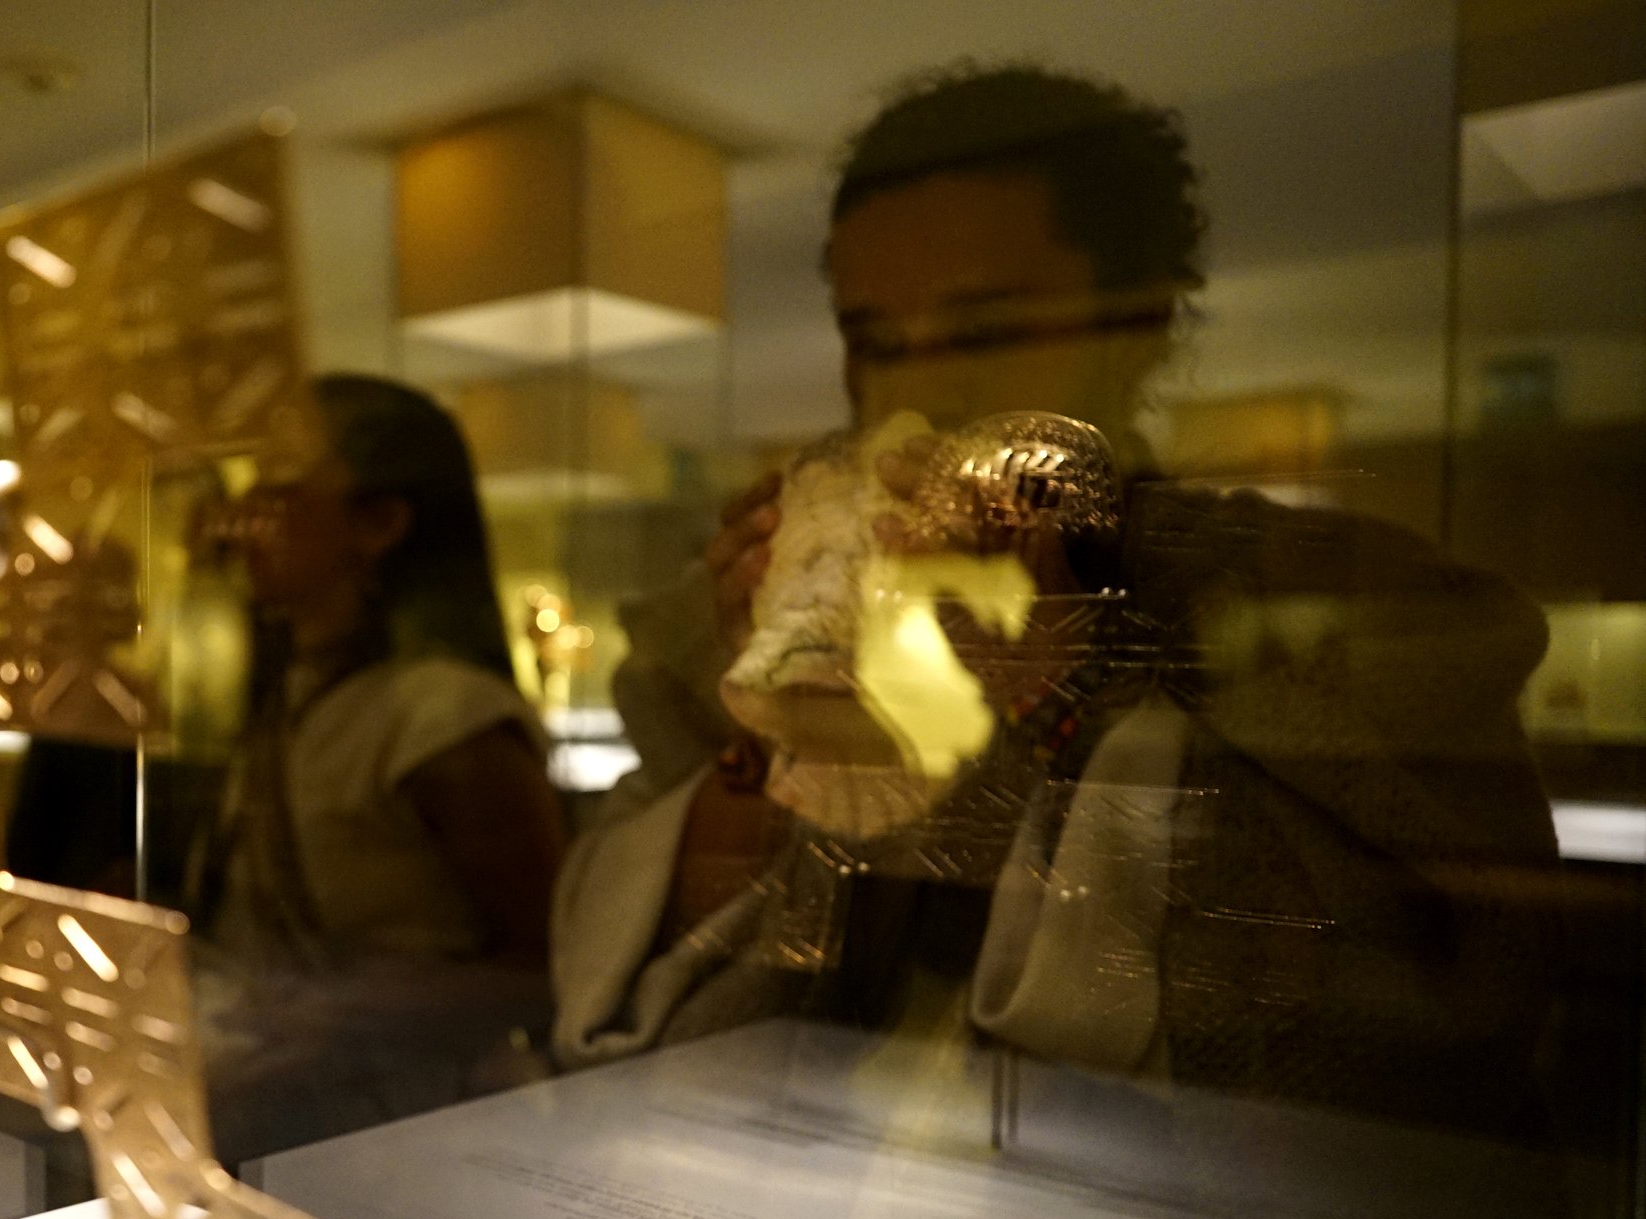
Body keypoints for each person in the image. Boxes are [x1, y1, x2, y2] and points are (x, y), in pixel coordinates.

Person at [552, 64, 1561, 1142]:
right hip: (790, 1182)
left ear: (1138, 325)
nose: (914, 390)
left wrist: (1058, 675)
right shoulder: (771, 588)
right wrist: (767, 718)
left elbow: (1444, 1006)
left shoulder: (1312, 600)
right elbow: (629, 942)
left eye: (983, 328)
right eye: (875, 341)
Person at [196, 372, 568, 1160]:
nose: (243, 519)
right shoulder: (293, 704)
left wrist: (338, 1014)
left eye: (282, 490)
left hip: (418, 1130)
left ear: (379, 521)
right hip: (281, 1117)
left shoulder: (442, 718)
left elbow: (550, 969)